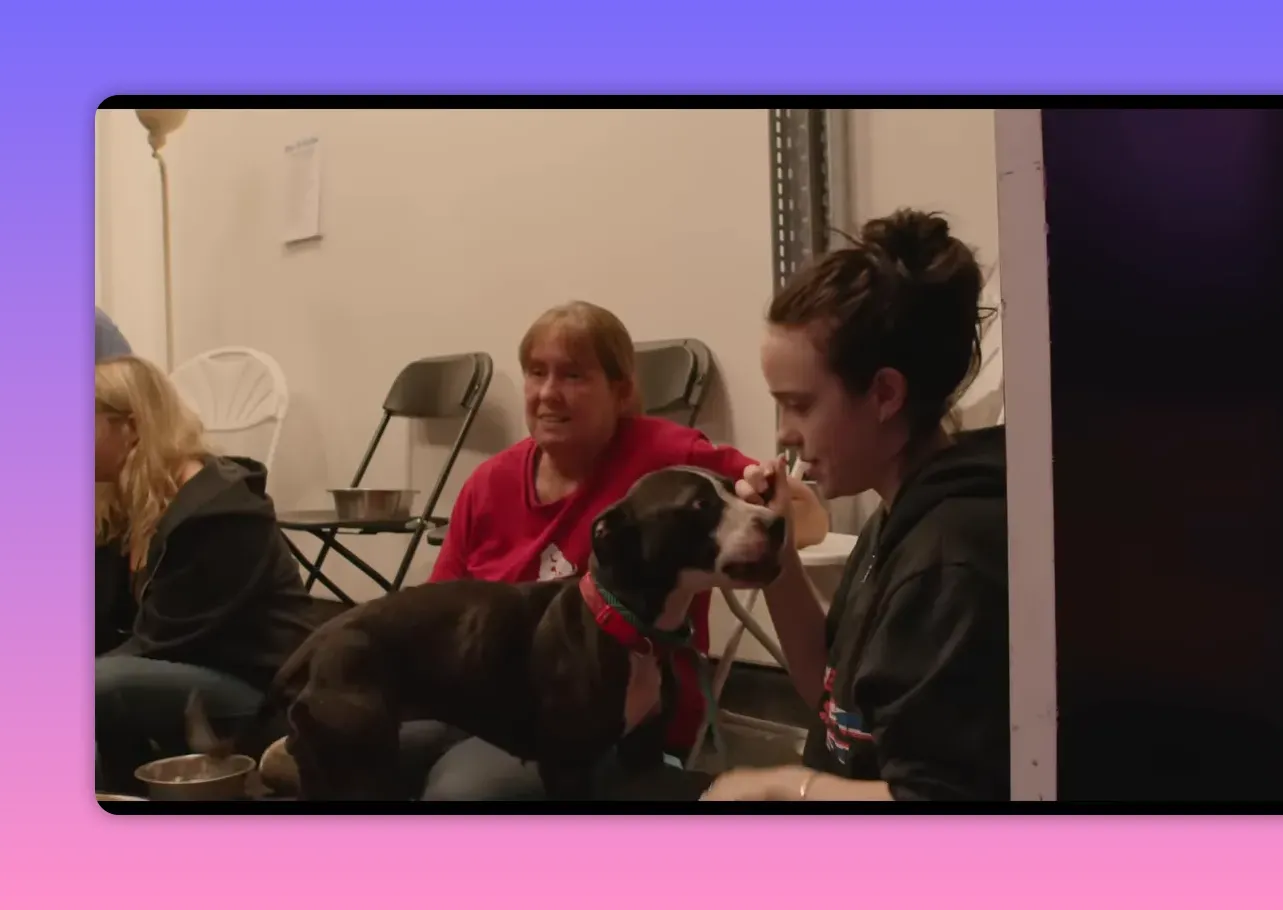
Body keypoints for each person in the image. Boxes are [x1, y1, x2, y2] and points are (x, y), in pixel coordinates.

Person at [407, 300, 829, 800]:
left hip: (603, 714)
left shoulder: (668, 459)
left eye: (573, 376)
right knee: (349, 740)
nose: (547, 393)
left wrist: (763, 510)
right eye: (536, 373)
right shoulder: (487, 483)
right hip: (483, 693)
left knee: (462, 796)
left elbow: (804, 515)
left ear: (622, 390)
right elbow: (435, 611)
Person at [701, 209, 1010, 801]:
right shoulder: (899, 514)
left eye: (799, 405)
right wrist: (779, 555)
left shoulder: (951, 558)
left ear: (885, 394)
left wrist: (788, 789)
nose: (785, 433)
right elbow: (830, 689)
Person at [94, 355, 319, 793]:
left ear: (132, 426)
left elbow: (160, 642)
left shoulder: (218, 511)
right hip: (182, 670)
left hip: (263, 693)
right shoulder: (125, 502)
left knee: (92, 683)